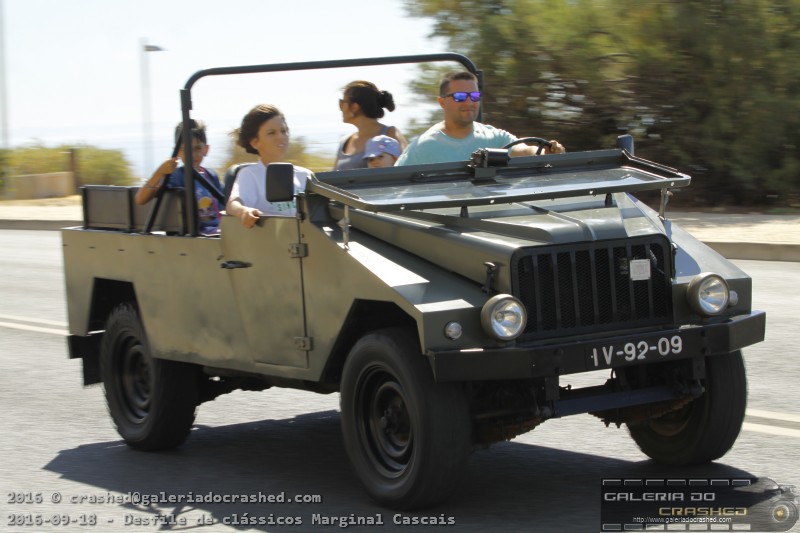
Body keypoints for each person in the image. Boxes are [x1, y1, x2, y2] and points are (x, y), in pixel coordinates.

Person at [396, 71, 566, 166]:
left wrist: (546, 152)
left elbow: (523, 150)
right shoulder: (423, 147)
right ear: (442, 102)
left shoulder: (494, 137)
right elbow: (394, 188)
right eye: (460, 97)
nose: (469, 102)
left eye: (474, 96)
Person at [225, 104, 313, 229]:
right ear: (255, 142)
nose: (281, 137)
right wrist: (244, 212)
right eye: (271, 133)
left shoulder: (305, 175)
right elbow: (233, 204)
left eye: (284, 131)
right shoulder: (250, 175)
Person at [134, 119, 224, 235]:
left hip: (218, 230)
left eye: (198, 148)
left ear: (206, 149)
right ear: (177, 152)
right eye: (186, 149)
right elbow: (140, 199)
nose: (193, 155)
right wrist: (160, 172)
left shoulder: (211, 176)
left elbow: (224, 203)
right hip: (194, 234)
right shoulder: (175, 177)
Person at [334, 80, 408, 170]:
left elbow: (407, 167)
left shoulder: (390, 134)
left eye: (342, 103)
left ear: (354, 107)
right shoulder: (344, 141)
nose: (341, 108)